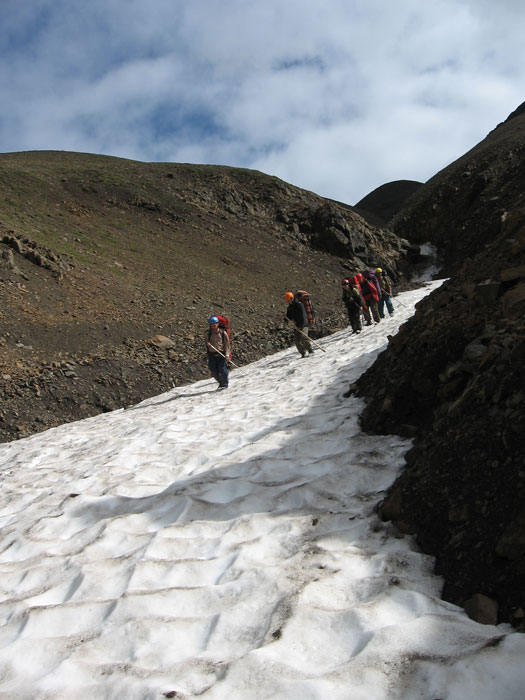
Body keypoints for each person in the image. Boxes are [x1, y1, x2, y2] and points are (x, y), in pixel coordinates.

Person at [283, 291, 314, 357]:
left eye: (288, 300)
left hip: (303, 324)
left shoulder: (299, 305)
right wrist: (285, 318)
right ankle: (303, 353)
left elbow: (303, 316)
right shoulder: (290, 307)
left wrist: (301, 325)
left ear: (291, 298)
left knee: (304, 338)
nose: (288, 302)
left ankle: (310, 350)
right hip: (296, 325)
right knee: (297, 341)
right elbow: (289, 317)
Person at [206, 315, 231, 390]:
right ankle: (221, 383)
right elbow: (206, 342)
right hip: (212, 355)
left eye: (215, 324)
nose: (213, 326)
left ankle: (224, 384)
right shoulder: (208, 334)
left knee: (223, 370)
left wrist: (227, 354)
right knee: (213, 371)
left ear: (218, 324)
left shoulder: (223, 333)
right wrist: (208, 344)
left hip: (221, 354)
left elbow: (227, 345)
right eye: (211, 324)